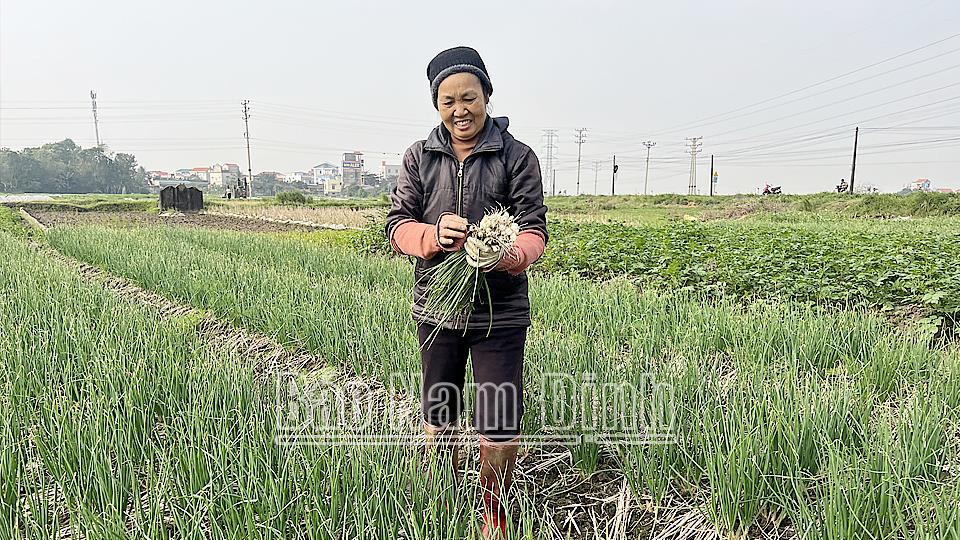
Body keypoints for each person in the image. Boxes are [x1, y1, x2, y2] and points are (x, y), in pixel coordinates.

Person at [384, 46, 548, 538]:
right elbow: (397, 226)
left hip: (500, 311)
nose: (460, 110)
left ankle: (494, 508)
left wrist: (505, 255)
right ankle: (443, 495)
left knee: (498, 418)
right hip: (437, 307)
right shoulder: (420, 156)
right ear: (436, 104)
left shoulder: (517, 156)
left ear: (487, 96)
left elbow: (534, 231)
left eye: (469, 98)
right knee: (439, 409)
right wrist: (433, 236)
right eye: (448, 100)